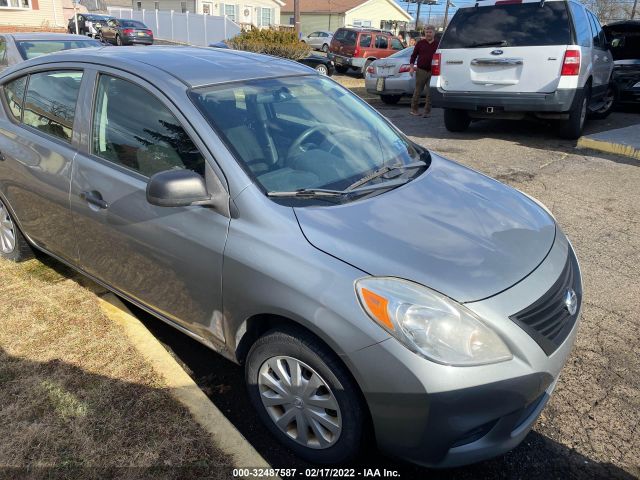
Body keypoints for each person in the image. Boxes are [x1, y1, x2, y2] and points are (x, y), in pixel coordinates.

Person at [409, 26, 439, 117]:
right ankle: (414, 110)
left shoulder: (438, 44)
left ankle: (427, 112)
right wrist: (411, 67)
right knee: (418, 91)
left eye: (430, 32)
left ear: (434, 33)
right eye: (426, 32)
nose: (428, 34)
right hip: (421, 70)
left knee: (430, 93)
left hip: (433, 71)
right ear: (424, 33)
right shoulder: (420, 43)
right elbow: (413, 56)